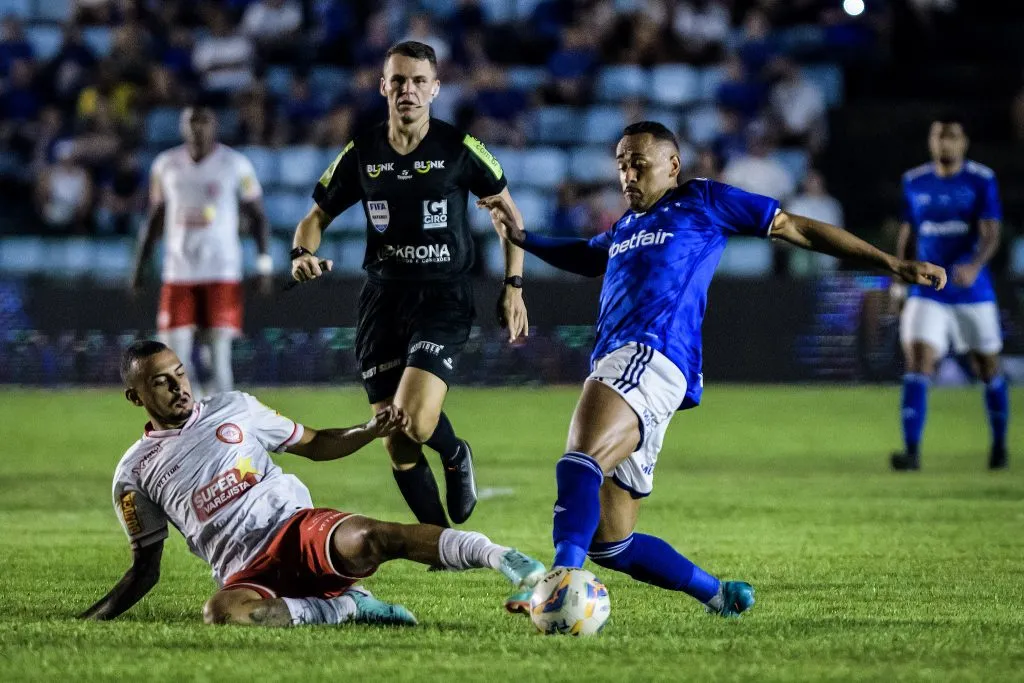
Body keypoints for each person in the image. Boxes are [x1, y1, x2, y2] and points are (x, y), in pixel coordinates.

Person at [478, 121, 946, 617]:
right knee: (611, 542)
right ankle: (720, 595)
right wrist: (523, 238)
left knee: (579, 461)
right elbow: (587, 255)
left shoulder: (702, 200)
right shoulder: (624, 228)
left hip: (649, 353)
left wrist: (890, 264)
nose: (628, 174)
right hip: (639, 369)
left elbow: (794, 226)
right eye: (621, 164)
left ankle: (558, 582)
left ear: (673, 165)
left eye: (639, 162)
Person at [79, 340, 545, 626]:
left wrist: (366, 432)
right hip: (245, 571)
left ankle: (506, 559)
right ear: (134, 396)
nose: (179, 386)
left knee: (374, 536)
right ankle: (346, 609)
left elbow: (316, 442)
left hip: (298, 529)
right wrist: (89, 621)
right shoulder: (133, 473)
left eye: (179, 373)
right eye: (162, 382)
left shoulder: (234, 408)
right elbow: (146, 567)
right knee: (222, 613)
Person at [290, 41, 528, 528]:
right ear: (383, 86)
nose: (408, 90)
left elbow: (508, 215)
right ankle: (438, 544)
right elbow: (314, 217)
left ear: (436, 89)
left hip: (443, 295)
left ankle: (455, 450)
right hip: (382, 301)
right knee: (395, 437)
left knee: (415, 421)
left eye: (419, 82)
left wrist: (514, 284)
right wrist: (301, 254)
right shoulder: (362, 152)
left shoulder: (458, 149)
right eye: (398, 80)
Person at [889, 120, 1009, 471]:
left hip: (972, 290)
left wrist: (973, 265)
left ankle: (1000, 445)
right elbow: (908, 235)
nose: (945, 143)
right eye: (939, 136)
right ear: (931, 141)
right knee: (918, 361)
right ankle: (911, 452)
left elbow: (991, 234)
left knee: (988, 368)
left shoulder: (981, 179)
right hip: (928, 290)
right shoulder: (914, 181)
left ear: (964, 143)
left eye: (952, 137)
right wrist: (900, 280)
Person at [130, 106, 272, 398]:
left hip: (221, 270)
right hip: (179, 270)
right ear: (182, 127)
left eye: (204, 121)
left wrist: (264, 263)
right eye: (192, 122)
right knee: (172, 356)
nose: (198, 128)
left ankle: (223, 425)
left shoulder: (236, 164)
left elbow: (257, 216)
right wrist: (140, 265)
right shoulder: (165, 165)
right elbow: (155, 217)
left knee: (219, 356)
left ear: (215, 125)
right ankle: (188, 422)